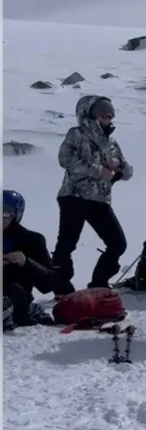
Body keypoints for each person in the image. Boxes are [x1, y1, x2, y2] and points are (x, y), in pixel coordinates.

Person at [51, 95, 133, 293]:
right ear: (89, 115)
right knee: (67, 244)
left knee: (117, 243)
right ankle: (62, 288)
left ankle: (99, 284)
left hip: (100, 200)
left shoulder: (111, 142)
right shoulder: (76, 134)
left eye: (110, 117)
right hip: (74, 197)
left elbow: (128, 172)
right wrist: (98, 171)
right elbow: (65, 159)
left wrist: (120, 167)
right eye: (103, 116)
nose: (108, 120)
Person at [2, 190, 58, 329]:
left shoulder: (31, 240)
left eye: (5, 212)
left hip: (14, 297)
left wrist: (26, 262)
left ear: (16, 215)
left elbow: (49, 283)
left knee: (14, 289)